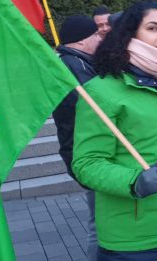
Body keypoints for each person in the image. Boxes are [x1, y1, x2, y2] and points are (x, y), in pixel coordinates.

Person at [72, 1, 157, 260]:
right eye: (153, 28)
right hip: (137, 243)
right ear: (130, 34)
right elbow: (86, 163)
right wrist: (133, 181)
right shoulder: (102, 91)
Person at [51, 15, 102, 260]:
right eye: (96, 35)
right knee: (100, 227)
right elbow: (98, 108)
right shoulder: (77, 69)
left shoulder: (75, 63)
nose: (100, 39)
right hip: (87, 153)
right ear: (82, 41)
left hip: (79, 150)